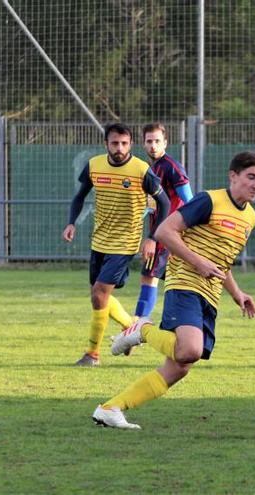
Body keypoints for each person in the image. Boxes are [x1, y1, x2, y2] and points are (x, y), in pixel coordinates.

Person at [92, 151, 255, 430]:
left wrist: (237, 294)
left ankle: (111, 408)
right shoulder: (209, 200)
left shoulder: (251, 218)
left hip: (209, 293)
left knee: (179, 368)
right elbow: (164, 231)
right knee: (190, 350)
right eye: (251, 177)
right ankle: (141, 330)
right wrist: (198, 262)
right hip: (184, 282)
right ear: (233, 176)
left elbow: (222, 262)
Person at [62, 123, 170, 367]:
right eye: (114, 143)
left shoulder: (141, 170)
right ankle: (131, 328)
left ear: (130, 144)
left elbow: (164, 203)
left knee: (100, 293)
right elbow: (79, 196)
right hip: (99, 240)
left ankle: (92, 354)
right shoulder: (94, 165)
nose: (119, 148)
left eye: (124, 143)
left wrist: (152, 237)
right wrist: (72, 223)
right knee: (97, 296)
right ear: (106, 144)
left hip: (125, 243)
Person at [133, 122, 193, 319]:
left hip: (165, 233)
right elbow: (153, 204)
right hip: (162, 232)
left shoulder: (170, 166)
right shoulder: (152, 167)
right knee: (174, 282)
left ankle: (136, 329)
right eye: (149, 141)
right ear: (143, 144)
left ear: (165, 143)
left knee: (149, 278)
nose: (153, 145)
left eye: (157, 141)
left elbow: (189, 200)